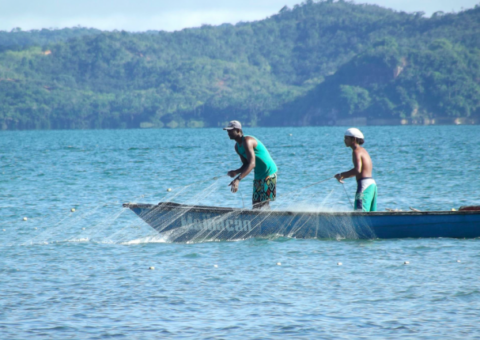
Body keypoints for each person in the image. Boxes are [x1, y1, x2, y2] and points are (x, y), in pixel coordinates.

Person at [224, 120, 278, 209]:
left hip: (269, 172)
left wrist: (238, 180)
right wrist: (236, 172)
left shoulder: (247, 141)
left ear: (238, 130)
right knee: (256, 205)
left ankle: (269, 222)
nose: (228, 133)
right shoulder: (237, 147)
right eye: (227, 131)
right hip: (258, 174)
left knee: (264, 203)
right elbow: (246, 164)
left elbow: (252, 164)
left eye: (230, 130)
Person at [334, 128, 377, 212]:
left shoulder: (356, 151)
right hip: (372, 185)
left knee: (359, 214)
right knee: (371, 215)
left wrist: (341, 175)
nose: (344, 140)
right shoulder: (363, 150)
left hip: (364, 185)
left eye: (346, 138)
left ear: (353, 139)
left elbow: (357, 170)